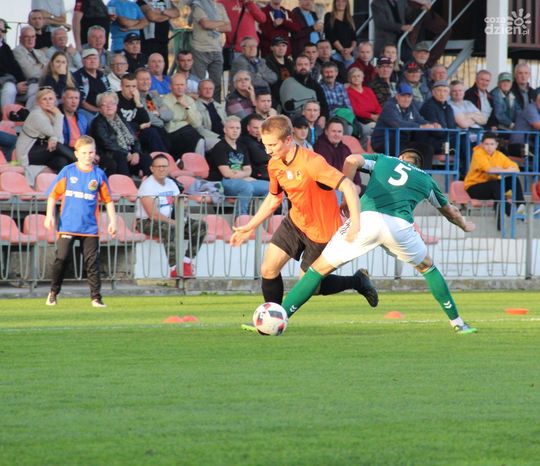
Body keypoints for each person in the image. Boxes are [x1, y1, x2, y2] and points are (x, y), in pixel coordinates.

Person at [279, 147, 478, 335]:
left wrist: (346, 199)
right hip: (400, 227)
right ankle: (458, 323)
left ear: (401, 158)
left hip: (367, 220)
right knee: (428, 268)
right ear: (419, 165)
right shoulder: (426, 179)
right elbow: (451, 212)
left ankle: (280, 317)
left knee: (317, 270)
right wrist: (464, 225)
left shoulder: (384, 160)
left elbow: (351, 160)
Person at [230, 115, 377, 309]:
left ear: (288, 139)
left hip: (322, 231)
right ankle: (274, 317)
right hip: (296, 222)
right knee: (268, 269)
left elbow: (348, 186)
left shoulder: (312, 162)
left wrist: (355, 225)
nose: (268, 150)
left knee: (310, 287)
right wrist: (250, 226)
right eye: (265, 145)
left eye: (272, 145)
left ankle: (357, 281)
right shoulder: (275, 163)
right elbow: (274, 198)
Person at [44, 135, 117, 308]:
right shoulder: (68, 171)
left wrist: (112, 221)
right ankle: (53, 292)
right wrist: (49, 215)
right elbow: (53, 195)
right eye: (84, 153)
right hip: (68, 225)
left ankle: (96, 298)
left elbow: (108, 200)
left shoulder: (99, 174)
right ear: (77, 154)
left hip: (90, 227)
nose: (88, 156)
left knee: (92, 262)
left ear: (95, 153)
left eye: (91, 152)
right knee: (61, 259)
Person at [136, 153, 207, 278]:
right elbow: (152, 214)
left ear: (168, 168)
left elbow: (179, 204)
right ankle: (174, 268)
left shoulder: (171, 183)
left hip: (170, 219)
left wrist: (183, 212)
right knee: (171, 228)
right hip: (146, 222)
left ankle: (186, 262)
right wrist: (173, 222)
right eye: (158, 166)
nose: (161, 169)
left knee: (200, 225)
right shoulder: (147, 185)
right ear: (152, 168)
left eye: (164, 166)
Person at [206, 116, 269, 215]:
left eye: (237, 128)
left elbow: (248, 170)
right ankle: (240, 217)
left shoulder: (242, 147)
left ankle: (261, 217)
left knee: (271, 187)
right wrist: (243, 175)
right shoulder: (220, 147)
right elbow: (226, 174)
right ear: (225, 130)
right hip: (222, 183)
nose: (235, 131)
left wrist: (240, 174)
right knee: (246, 187)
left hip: (240, 180)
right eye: (232, 128)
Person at [89, 90, 152, 176]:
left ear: (116, 105)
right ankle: (125, 182)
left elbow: (134, 138)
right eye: (104, 104)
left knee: (145, 157)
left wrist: (136, 152)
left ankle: (149, 181)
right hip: (111, 155)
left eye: (112, 103)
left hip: (129, 154)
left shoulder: (121, 119)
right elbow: (108, 144)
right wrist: (127, 154)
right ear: (99, 108)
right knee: (120, 156)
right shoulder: (97, 123)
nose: (109, 106)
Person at [16, 87, 75, 176]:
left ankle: (64, 183)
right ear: (38, 102)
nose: (48, 102)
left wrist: (53, 139)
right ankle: (81, 163)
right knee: (57, 146)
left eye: (50, 99)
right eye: (44, 99)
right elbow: (57, 139)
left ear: (54, 101)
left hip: (43, 150)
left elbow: (60, 139)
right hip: (28, 153)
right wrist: (59, 116)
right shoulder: (36, 115)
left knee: (61, 161)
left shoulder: (50, 114)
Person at [464, 133, 525, 218]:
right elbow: (489, 169)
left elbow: (515, 168)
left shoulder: (499, 155)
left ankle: (521, 205)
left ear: (496, 145)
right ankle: (509, 211)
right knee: (495, 185)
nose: (489, 147)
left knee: (512, 179)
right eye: (486, 144)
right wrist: (504, 170)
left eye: (492, 144)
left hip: (492, 186)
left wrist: (500, 169)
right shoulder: (478, 154)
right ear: (482, 144)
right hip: (474, 187)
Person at [372, 83, 437, 157]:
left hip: (401, 142)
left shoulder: (411, 107)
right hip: (384, 142)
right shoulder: (389, 106)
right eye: (403, 96)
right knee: (410, 152)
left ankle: (421, 166)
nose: (406, 99)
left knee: (427, 149)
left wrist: (432, 124)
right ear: (397, 96)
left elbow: (420, 120)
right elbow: (398, 124)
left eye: (409, 96)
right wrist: (420, 126)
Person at [188, 0, 230, 102]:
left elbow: (228, 27)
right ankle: (199, 107)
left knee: (216, 85)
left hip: (217, 49)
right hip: (200, 49)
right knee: (198, 84)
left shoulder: (220, 6)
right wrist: (221, 23)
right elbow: (205, 24)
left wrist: (213, 26)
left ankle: (215, 107)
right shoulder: (198, 5)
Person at [117, 73, 169, 154]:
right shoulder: (116, 99)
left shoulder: (136, 99)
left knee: (154, 131)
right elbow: (119, 124)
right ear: (121, 87)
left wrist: (138, 103)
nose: (131, 90)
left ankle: (164, 157)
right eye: (127, 86)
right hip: (121, 134)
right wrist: (139, 126)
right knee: (152, 132)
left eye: (134, 86)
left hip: (136, 132)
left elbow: (146, 120)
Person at [313, 117, 361, 201]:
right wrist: (346, 187)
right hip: (328, 190)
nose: (337, 134)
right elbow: (327, 176)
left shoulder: (345, 148)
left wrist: (357, 185)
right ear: (326, 132)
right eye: (333, 131)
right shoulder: (320, 147)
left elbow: (354, 168)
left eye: (339, 132)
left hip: (344, 187)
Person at [162, 73, 205, 161]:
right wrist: (186, 120)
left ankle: (198, 166)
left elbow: (197, 123)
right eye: (177, 85)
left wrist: (186, 107)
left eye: (182, 85)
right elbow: (170, 123)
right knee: (197, 140)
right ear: (170, 86)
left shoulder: (189, 100)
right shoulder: (164, 100)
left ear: (186, 86)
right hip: (172, 134)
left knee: (199, 140)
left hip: (189, 131)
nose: (180, 87)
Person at [279, 54, 329, 119]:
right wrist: (309, 102)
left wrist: (323, 117)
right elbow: (288, 107)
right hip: (294, 119)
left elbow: (324, 105)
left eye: (306, 64)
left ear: (310, 67)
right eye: (300, 65)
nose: (303, 67)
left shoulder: (315, 84)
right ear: (295, 67)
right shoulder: (288, 83)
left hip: (314, 117)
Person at [137, 0, 180, 71]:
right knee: (150, 68)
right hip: (149, 41)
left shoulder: (166, 1)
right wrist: (169, 15)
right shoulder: (141, 1)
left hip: (164, 41)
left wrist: (162, 11)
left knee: (163, 68)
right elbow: (152, 17)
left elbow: (177, 13)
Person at [13, 25, 48, 109]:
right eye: (27, 37)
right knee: (41, 91)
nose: (30, 39)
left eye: (33, 36)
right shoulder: (17, 52)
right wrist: (44, 67)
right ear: (20, 38)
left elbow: (50, 69)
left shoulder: (40, 52)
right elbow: (30, 73)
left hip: (40, 84)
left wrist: (38, 67)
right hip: (27, 86)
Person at [74, 48, 112, 120]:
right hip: (85, 111)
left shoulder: (102, 75)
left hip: (104, 109)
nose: (92, 61)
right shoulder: (77, 76)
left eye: (95, 58)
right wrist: (98, 110)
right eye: (89, 59)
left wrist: (107, 108)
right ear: (82, 61)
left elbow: (109, 93)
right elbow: (81, 101)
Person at [0, 19, 30, 108]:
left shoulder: (5, 48)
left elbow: (14, 66)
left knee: (10, 89)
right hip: (4, 79)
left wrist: (20, 82)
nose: (1, 33)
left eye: (3, 31)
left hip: (6, 80)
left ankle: (7, 115)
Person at [347, 67, 381, 142]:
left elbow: (377, 106)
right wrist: (371, 116)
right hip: (360, 119)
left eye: (358, 76)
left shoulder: (368, 90)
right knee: (378, 128)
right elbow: (354, 110)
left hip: (374, 117)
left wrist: (380, 115)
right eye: (353, 76)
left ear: (362, 78)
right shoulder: (348, 92)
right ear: (349, 79)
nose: (356, 78)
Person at [194, 79, 226, 151]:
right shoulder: (194, 107)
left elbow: (226, 122)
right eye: (205, 88)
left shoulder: (219, 106)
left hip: (225, 135)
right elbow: (199, 129)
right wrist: (219, 137)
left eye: (211, 88)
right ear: (199, 91)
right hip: (209, 138)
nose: (208, 91)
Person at [323, 0, 356, 67]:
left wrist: (351, 49)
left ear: (347, 3)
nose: (340, 3)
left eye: (343, 1)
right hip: (335, 54)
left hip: (349, 54)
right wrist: (342, 51)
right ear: (334, 3)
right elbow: (331, 35)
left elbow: (354, 38)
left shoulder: (350, 18)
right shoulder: (329, 16)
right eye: (338, 1)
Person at [239, 113, 269, 181]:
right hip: (257, 176)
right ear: (248, 128)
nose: (258, 131)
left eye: (261, 128)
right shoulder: (245, 140)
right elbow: (261, 158)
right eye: (255, 128)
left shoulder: (262, 140)